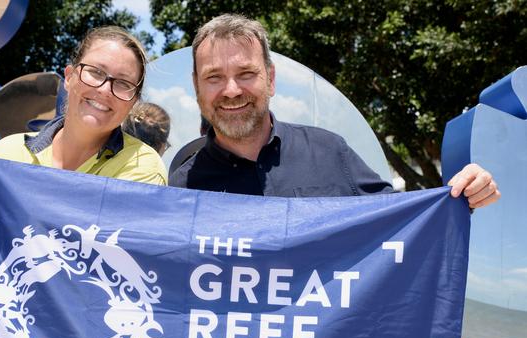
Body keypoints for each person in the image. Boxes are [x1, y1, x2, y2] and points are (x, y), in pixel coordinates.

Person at [169, 14, 500, 208]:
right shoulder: (180, 188)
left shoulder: (330, 152)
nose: (231, 90)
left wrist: (460, 198)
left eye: (246, 74)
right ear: (197, 87)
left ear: (270, 79)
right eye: (214, 77)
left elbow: (401, 223)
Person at [0, 26, 167, 185]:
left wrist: (5, 183)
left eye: (123, 83)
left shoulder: (142, 166)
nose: (104, 89)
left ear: (134, 101)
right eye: (96, 72)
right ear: (69, 77)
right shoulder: (7, 152)